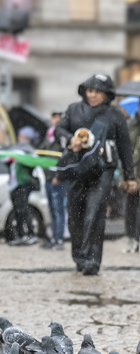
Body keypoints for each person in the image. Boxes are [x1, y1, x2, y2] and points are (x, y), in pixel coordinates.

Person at [53, 72, 137, 275]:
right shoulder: (73, 110)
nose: (93, 95)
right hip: (77, 170)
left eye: (98, 92)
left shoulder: (115, 115)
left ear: (107, 94)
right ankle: (79, 256)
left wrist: (130, 177)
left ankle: (92, 260)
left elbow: (125, 147)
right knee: (75, 214)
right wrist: (70, 138)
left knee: (95, 212)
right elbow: (58, 131)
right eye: (90, 90)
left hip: (103, 171)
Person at [6, 126, 40, 246]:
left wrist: (22, 159)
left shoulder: (28, 150)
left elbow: (34, 163)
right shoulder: (16, 149)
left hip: (23, 184)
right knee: (17, 211)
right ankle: (21, 235)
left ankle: (30, 234)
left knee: (23, 209)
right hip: (14, 185)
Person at [42, 111, 67, 249]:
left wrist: (59, 175)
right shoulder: (48, 136)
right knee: (52, 209)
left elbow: (64, 157)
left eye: (58, 117)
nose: (55, 120)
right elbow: (42, 152)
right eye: (53, 117)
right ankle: (54, 238)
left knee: (58, 209)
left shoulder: (62, 137)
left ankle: (59, 239)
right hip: (47, 176)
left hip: (57, 178)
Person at [124, 107, 140, 253]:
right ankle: (131, 238)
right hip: (132, 173)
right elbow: (125, 150)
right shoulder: (130, 125)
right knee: (130, 208)